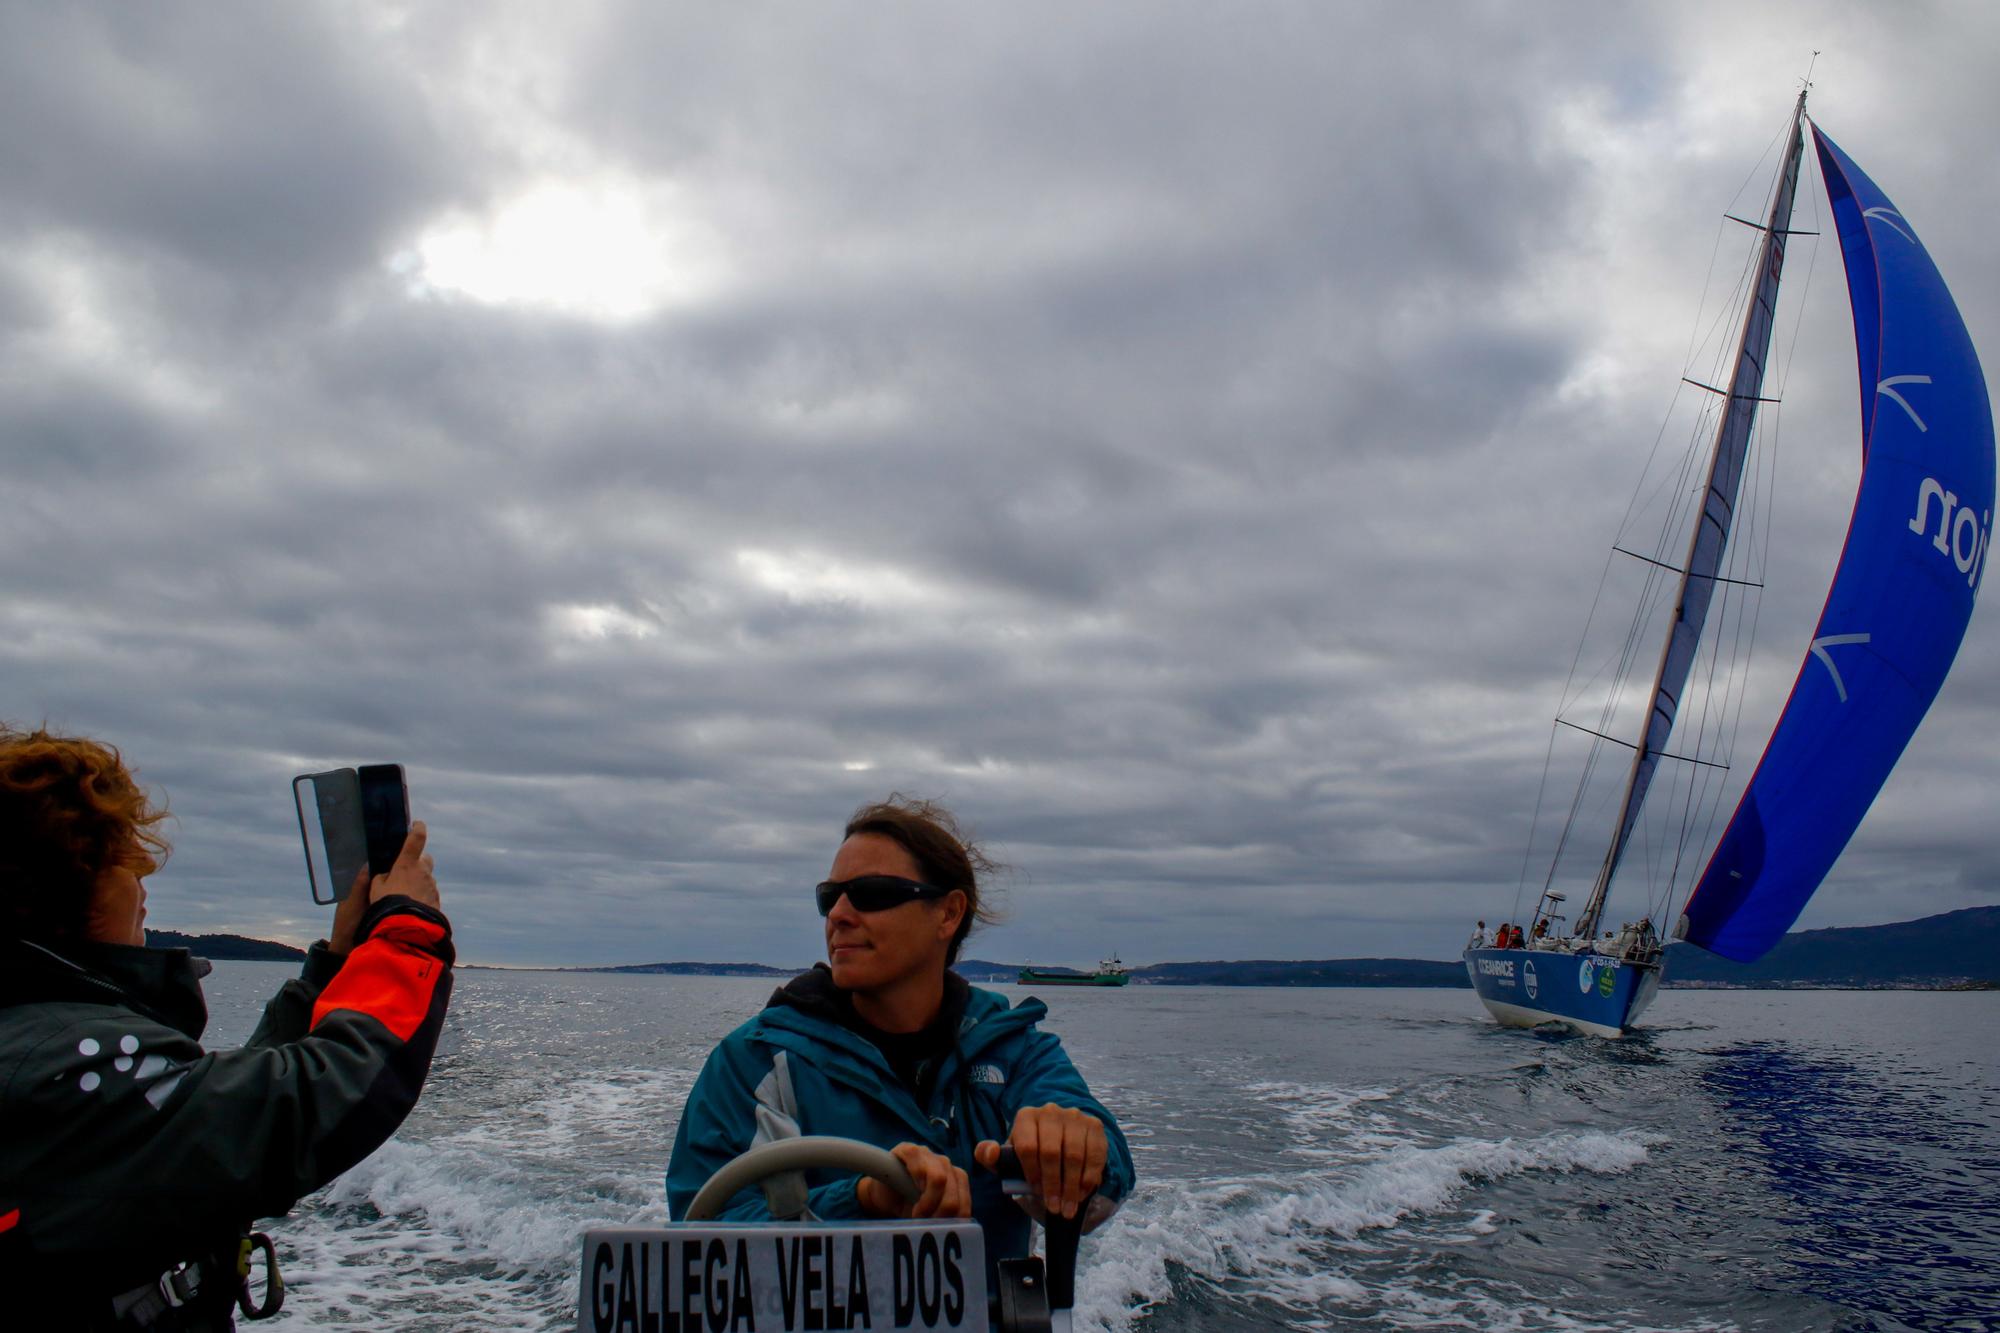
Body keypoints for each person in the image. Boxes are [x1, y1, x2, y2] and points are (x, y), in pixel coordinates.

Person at [0, 726, 454, 1330]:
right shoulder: (58, 1063)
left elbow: (213, 1119)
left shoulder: (40, 1038)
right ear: (65, 884)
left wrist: (339, 964)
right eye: (127, 863)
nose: (142, 890)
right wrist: (407, 931)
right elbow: (299, 1109)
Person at [667, 797, 1135, 1278]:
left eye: (870, 893)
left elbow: (1107, 1180)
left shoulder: (1016, 1051)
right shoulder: (753, 1061)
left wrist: (1078, 1146)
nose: (839, 915)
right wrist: (864, 1200)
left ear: (948, 914)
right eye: (830, 897)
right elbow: (695, 1249)